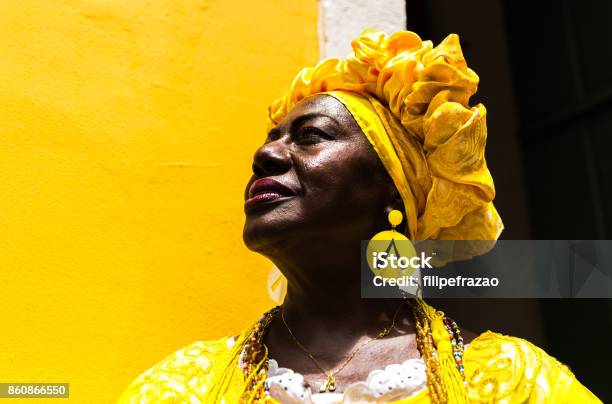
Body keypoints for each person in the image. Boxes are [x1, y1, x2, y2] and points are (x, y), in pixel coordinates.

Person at [118, 30, 601, 403]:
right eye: (270, 138)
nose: (265, 156)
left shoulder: (510, 380)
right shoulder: (180, 386)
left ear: (394, 189)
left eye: (311, 136)